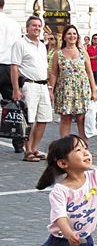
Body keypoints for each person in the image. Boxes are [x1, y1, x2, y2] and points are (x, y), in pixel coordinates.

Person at [10, 16, 52, 162]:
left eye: (39, 26)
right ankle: (27, 151)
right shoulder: (20, 44)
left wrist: (50, 87)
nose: (37, 28)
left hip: (43, 85)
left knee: (44, 118)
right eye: (34, 25)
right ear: (27, 27)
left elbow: (45, 67)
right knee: (29, 120)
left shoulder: (41, 45)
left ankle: (35, 148)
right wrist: (16, 89)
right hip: (29, 85)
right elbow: (14, 67)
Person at [48, 25, 97, 140]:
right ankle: (64, 147)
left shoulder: (83, 53)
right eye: (69, 34)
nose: (72, 36)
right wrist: (51, 89)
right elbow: (54, 73)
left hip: (82, 88)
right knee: (66, 118)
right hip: (64, 90)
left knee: (82, 118)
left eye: (74, 34)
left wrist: (94, 90)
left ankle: (83, 146)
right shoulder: (58, 54)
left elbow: (89, 72)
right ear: (64, 37)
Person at [0, 0, 25, 152]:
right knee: (14, 105)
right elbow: (19, 48)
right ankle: (18, 142)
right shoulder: (14, 24)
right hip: (9, 67)